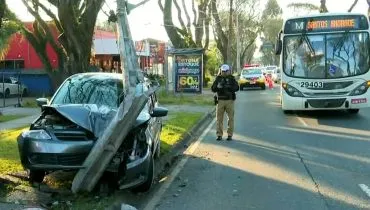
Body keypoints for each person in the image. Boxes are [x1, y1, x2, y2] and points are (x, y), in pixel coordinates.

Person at [211, 64, 239, 141]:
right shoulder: (218, 78)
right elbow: (213, 89)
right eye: (222, 71)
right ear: (221, 71)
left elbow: (237, 88)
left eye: (225, 71)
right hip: (220, 100)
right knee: (219, 119)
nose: (224, 72)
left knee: (231, 119)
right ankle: (219, 135)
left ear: (228, 71)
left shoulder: (232, 78)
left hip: (229, 100)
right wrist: (218, 87)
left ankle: (230, 135)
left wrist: (229, 87)